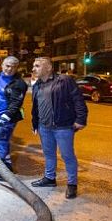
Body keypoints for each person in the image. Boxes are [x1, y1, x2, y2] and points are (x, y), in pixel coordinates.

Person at [30, 57, 87, 199]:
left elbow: (78, 100)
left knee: (67, 156)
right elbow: (35, 107)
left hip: (63, 126)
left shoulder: (64, 80)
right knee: (48, 154)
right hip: (44, 127)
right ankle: (50, 179)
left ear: (48, 68)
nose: (33, 69)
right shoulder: (37, 85)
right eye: (33, 66)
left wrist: (81, 119)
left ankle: (72, 184)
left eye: (37, 66)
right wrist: (35, 123)